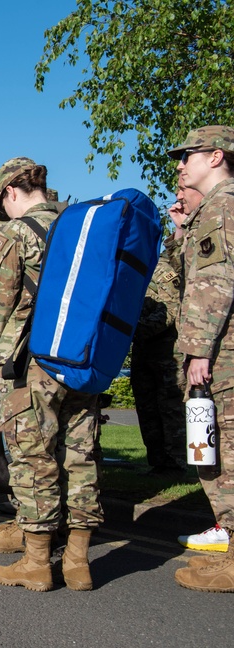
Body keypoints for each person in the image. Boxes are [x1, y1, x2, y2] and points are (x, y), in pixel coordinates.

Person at [0, 158, 101, 592]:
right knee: (80, 456)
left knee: (34, 459)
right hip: (81, 360)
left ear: (11, 192)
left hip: (35, 363)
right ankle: (78, 561)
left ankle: (36, 562)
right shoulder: (79, 226)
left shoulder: (14, 233)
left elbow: (3, 305)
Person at [169, 125, 234, 592]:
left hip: (223, 349)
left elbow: (215, 285)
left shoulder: (222, 206)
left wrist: (197, 349)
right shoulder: (212, 210)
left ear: (215, 156)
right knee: (220, 449)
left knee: (228, 448)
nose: (180, 163)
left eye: (188, 155)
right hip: (221, 346)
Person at [130, 185, 198, 478]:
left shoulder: (161, 267)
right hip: (143, 353)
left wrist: (132, 328)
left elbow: (169, 311)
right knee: (147, 408)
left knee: (170, 409)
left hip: (166, 354)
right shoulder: (134, 270)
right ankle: (158, 462)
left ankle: (178, 464)